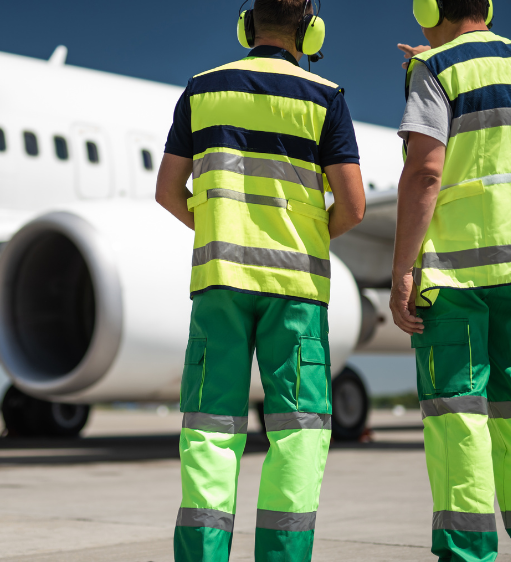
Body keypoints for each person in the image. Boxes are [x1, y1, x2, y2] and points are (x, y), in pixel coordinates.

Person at [155, 0, 366, 560]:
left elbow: (167, 191)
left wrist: (221, 230)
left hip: (221, 282)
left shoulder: (201, 91)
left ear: (248, 25)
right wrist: (308, 237)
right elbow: (353, 204)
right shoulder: (326, 97)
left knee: (210, 431)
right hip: (295, 290)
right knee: (297, 432)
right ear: (309, 29)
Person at [390, 1, 511, 561]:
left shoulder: (438, 71)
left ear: (429, 7)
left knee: (458, 419)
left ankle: (467, 554)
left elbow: (426, 172)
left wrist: (402, 269)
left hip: (459, 272)